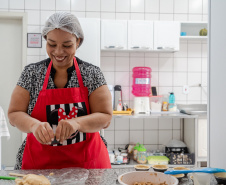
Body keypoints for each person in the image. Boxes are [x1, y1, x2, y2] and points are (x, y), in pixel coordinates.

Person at [8, 12, 112, 170]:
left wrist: (76, 123)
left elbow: (105, 117)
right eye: (52, 44)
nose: (58, 52)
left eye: (67, 45)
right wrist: (33, 125)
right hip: (40, 166)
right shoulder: (32, 73)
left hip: (88, 166)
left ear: (78, 42)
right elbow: (14, 113)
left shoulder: (92, 73)